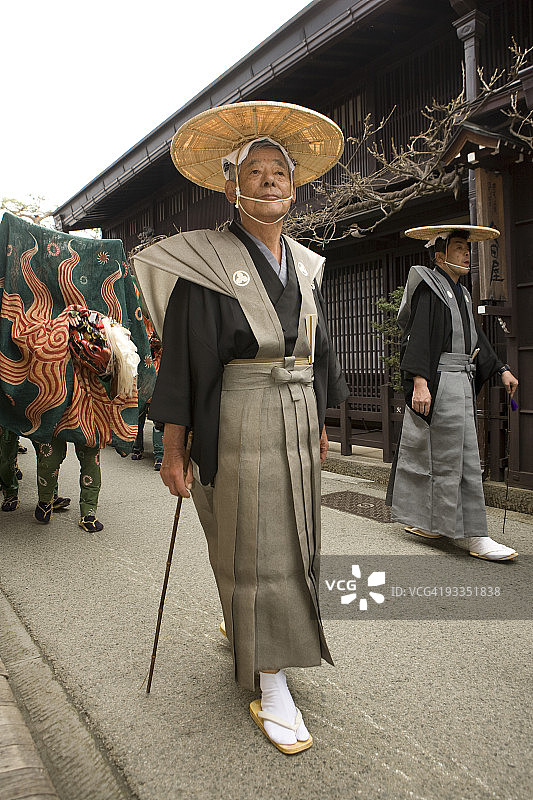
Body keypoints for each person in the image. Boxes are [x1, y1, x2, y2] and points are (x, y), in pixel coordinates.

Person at [134, 101, 349, 754]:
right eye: (253, 172)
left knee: (294, 538)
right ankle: (270, 676)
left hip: (294, 413)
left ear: (295, 187)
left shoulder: (305, 267)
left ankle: (259, 632)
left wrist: (318, 421)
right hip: (236, 415)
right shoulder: (206, 263)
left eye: (278, 172)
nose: (268, 182)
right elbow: (187, 358)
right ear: (231, 187)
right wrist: (173, 447)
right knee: (254, 543)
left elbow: (317, 349)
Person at [387, 225, 518, 560]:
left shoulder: (462, 293)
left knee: (452, 456)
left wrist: (500, 368)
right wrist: (419, 381)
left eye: (468, 248)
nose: (467, 254)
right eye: (460, 247)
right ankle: (476, 535)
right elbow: (418, 336)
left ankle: (437, 524)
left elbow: (477, 339)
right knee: (447, 458)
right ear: (441, 256)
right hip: (441, 380)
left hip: (461, 378)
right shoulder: (429, 287)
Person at [131, 317, 164, 470]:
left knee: (150, 415)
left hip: (151, 376)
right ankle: (154, 455)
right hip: (150, 376)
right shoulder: (148, 321)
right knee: (145, 414)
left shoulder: (143, 321)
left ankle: (154, 454)